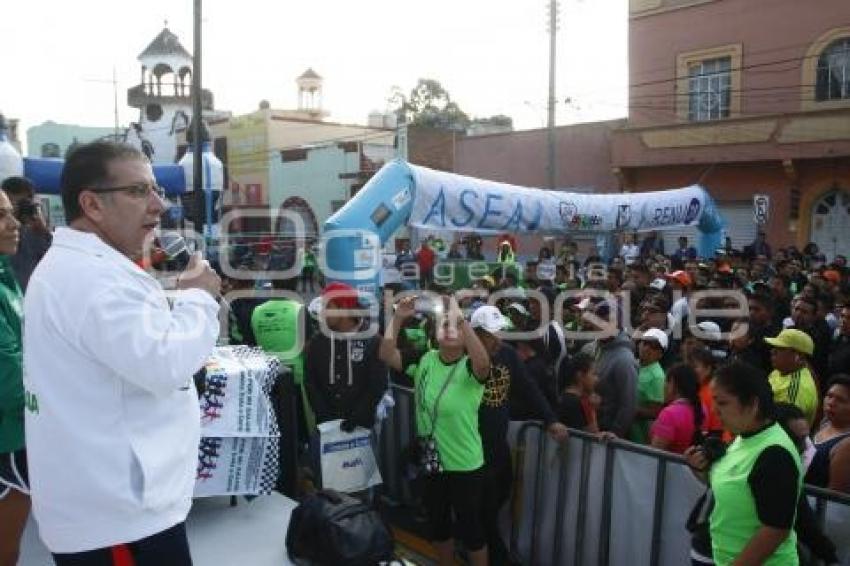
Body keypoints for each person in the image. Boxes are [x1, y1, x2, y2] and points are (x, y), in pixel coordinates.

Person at [24, 141, 222, 564]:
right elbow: (165, 363)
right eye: (138, 192)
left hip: (122, 505)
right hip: (120, 516)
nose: (158, 206)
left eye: (157, 190)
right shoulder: (93, 279)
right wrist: (198, 299)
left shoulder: (89, 268)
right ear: (92, 204)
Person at [380, 295, 491, 566]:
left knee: (470, 528)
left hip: (465, 462)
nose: (450, 329)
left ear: (465, 335)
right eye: (444, 325)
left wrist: (460, 319)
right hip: (431, 457)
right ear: (435, 334)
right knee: (438, 522)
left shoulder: (470, 367)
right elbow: (385, 354)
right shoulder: (426, 359)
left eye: (456, 326)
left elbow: (484, 364)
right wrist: (398, 318)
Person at [685, 362, 802, 566]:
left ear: (753, 404)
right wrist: (700, 469)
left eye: (722, 403)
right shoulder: (743, 437)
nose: (714, 410)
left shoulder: (775, 453)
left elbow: (776, 529)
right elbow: (736, 489)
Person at [303, 282, 386, 432]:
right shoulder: (317, 342)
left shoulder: (373, 340)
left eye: (328, 306)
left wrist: (357, 417)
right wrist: (325, 416)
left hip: (362, 429)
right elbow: (310, 382)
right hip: (327, 427)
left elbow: (377, 385)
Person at [0, 190, 26, 566]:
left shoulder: (6, 275)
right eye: (2, 216)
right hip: (9, 438)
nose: (15, 223)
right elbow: (10, 377)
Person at [582, 301, 638, 437]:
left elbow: (628, 404)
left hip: (606, 437)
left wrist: (614, 434)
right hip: (586, 428)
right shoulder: (590, 348)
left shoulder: (625, 360)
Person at [0, 176, 52, 292]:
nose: (15, 223)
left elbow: (54, 263)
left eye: (23, 204)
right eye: (3, 212)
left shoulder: (36, 232)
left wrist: (44, 231)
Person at [764, 329, 820, 427]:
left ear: (799, 357)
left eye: (781, 348)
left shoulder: (797, 389)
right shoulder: (780, 371)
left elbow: (784, 428)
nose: (773, 351)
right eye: (774, 347)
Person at [806, 375, 850, 493]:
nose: (831, 403)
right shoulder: (824, 423)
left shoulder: (846, 445)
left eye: (840, 400)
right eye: (829, 396)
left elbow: (835, 495)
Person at [650, 364, 703, 454]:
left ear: (673, 384)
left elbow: (654, 453)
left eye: (666, 381)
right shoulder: (702, 409)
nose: (664, 386)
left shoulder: (669, 413)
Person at [630, 328, 667, 444]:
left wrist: (630, 409)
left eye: (654, 346)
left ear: (660, 354)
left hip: (640, 438)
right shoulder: (632, 363)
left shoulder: (657, 376)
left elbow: (656, 411)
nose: (647, 348)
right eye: (645, 343)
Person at [556, 353, 599, 432]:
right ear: (580, 375)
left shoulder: (565, 398)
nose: (596, 379)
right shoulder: (575, 404)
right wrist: (592, 411)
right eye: (594, 374)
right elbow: (591, 435)